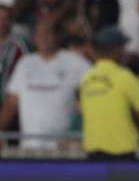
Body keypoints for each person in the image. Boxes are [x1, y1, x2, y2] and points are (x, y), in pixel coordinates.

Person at [0, 21, 91, 150]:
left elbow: (95, 94)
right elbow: (11, 103)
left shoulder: (75, 62)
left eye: (48, 33)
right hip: (29, 149)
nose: (44, 38)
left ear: (57, 36)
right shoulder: (25, 63)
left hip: (63, 150)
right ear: (35, 38)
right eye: (40, 34)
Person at [79, 26, 139, 160]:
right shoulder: (126, 76)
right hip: (123, 152)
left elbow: (84, 111)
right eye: (123, 47)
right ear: (116, 50)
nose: (126, 52)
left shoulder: (86, 79)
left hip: (93, 152)